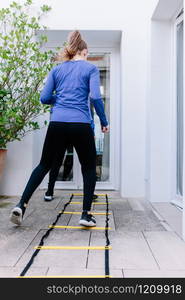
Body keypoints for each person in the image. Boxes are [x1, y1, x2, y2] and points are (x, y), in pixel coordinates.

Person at [10, 30, 109, 227]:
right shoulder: (90, 69)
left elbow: (45, 98)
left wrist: (62, 99)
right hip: (80, 124)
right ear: (84, 51)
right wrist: (104, 122)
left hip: (58, 123)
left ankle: (22, 204)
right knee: (89, 168)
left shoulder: (56, 70)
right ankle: (85, 214)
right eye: (87, 53)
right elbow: (96, 97)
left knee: (43, 165)